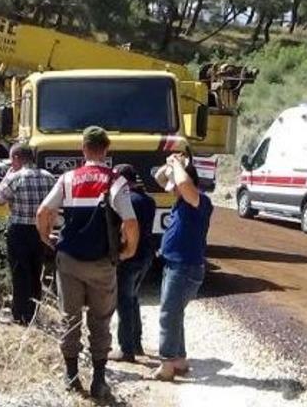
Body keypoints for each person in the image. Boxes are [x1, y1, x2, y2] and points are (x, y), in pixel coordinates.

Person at [35, 126, 139, 400]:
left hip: (68, 260)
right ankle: (99, 381)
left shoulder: (68, 178)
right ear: (106, 150)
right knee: (100, 321)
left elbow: (43, 211)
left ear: (83, 149)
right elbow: (130, 221)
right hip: (102, 263)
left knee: (70, 319)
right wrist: (129, 250)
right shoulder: (115, 181)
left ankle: (71, 377)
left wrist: (47, 237)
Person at [153, 153, 213, 381]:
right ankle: (179, 359)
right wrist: (169, 163)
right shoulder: (183, 199)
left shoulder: (200, 201)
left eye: (176, 184)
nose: (172, 189)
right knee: (175, 313)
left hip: (184, 268)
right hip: (177, 265)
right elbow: (160, 179)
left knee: (169, 314)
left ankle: (167, 363)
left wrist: (179, 166)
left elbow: (183, 183)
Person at [0, 143, 54, 325]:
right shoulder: (49, 177)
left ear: (17, 158)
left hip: (19, 230)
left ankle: (20, 314)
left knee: (20, 272)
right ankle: (34, 311)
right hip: (41, 230)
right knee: (36, 271)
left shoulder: (16, 178)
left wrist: (6, 178)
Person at [108, 164, 156, 363]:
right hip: (146, 255)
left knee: (124, 302)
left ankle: (126, 349)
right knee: (133, 298)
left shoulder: (128, 201)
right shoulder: (149, 201)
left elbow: (124, 229)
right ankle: (136, 344)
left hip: (130, 256)